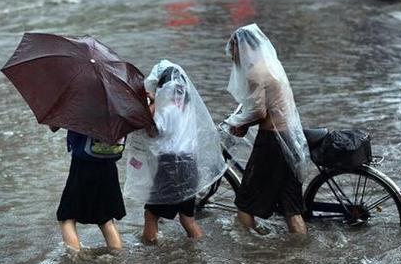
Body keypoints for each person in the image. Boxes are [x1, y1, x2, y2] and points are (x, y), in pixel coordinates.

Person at [124, 60, 225, 243]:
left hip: (171, 166)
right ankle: (197, 255)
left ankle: (150, 254)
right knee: (187, 219)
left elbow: (153, 130)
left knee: (151, 215)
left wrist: (152, 102)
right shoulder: (186, 108)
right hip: (188, 164)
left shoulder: (167, 109)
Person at [224, 24, 309, 235]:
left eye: (233, 48)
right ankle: (300, 253)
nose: (231, 54)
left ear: (242, 48)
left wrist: (238, 123)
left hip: (272, 142)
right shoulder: (272, 67)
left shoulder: (255, 73)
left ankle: (249, 254)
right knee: (291, 208)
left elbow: (259, 113)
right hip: (289, 139)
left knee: (245, 202)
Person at [52, 126, 126, 251]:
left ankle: (75, 259)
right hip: (109, 165)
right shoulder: (120, 108)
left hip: (83, 165)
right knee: (105, 219)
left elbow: (53, 127)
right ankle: (118, 257)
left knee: (66, 217)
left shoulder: (79, 106)